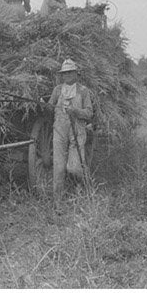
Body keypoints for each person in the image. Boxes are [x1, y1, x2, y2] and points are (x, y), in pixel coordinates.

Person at [48, 58, 94, 196]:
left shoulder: (83, 91)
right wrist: (44, 105)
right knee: (58, 168)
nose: (67, 75)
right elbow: (50, 107)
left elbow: (89, 113)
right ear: (61, 75)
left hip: (77, 131)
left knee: (74, 168)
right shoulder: (57, 90)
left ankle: (80, 186)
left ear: (76, 74)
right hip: (59, 130)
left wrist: (75, 111)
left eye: (70, 72)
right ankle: (57, 200)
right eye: (65, 73)